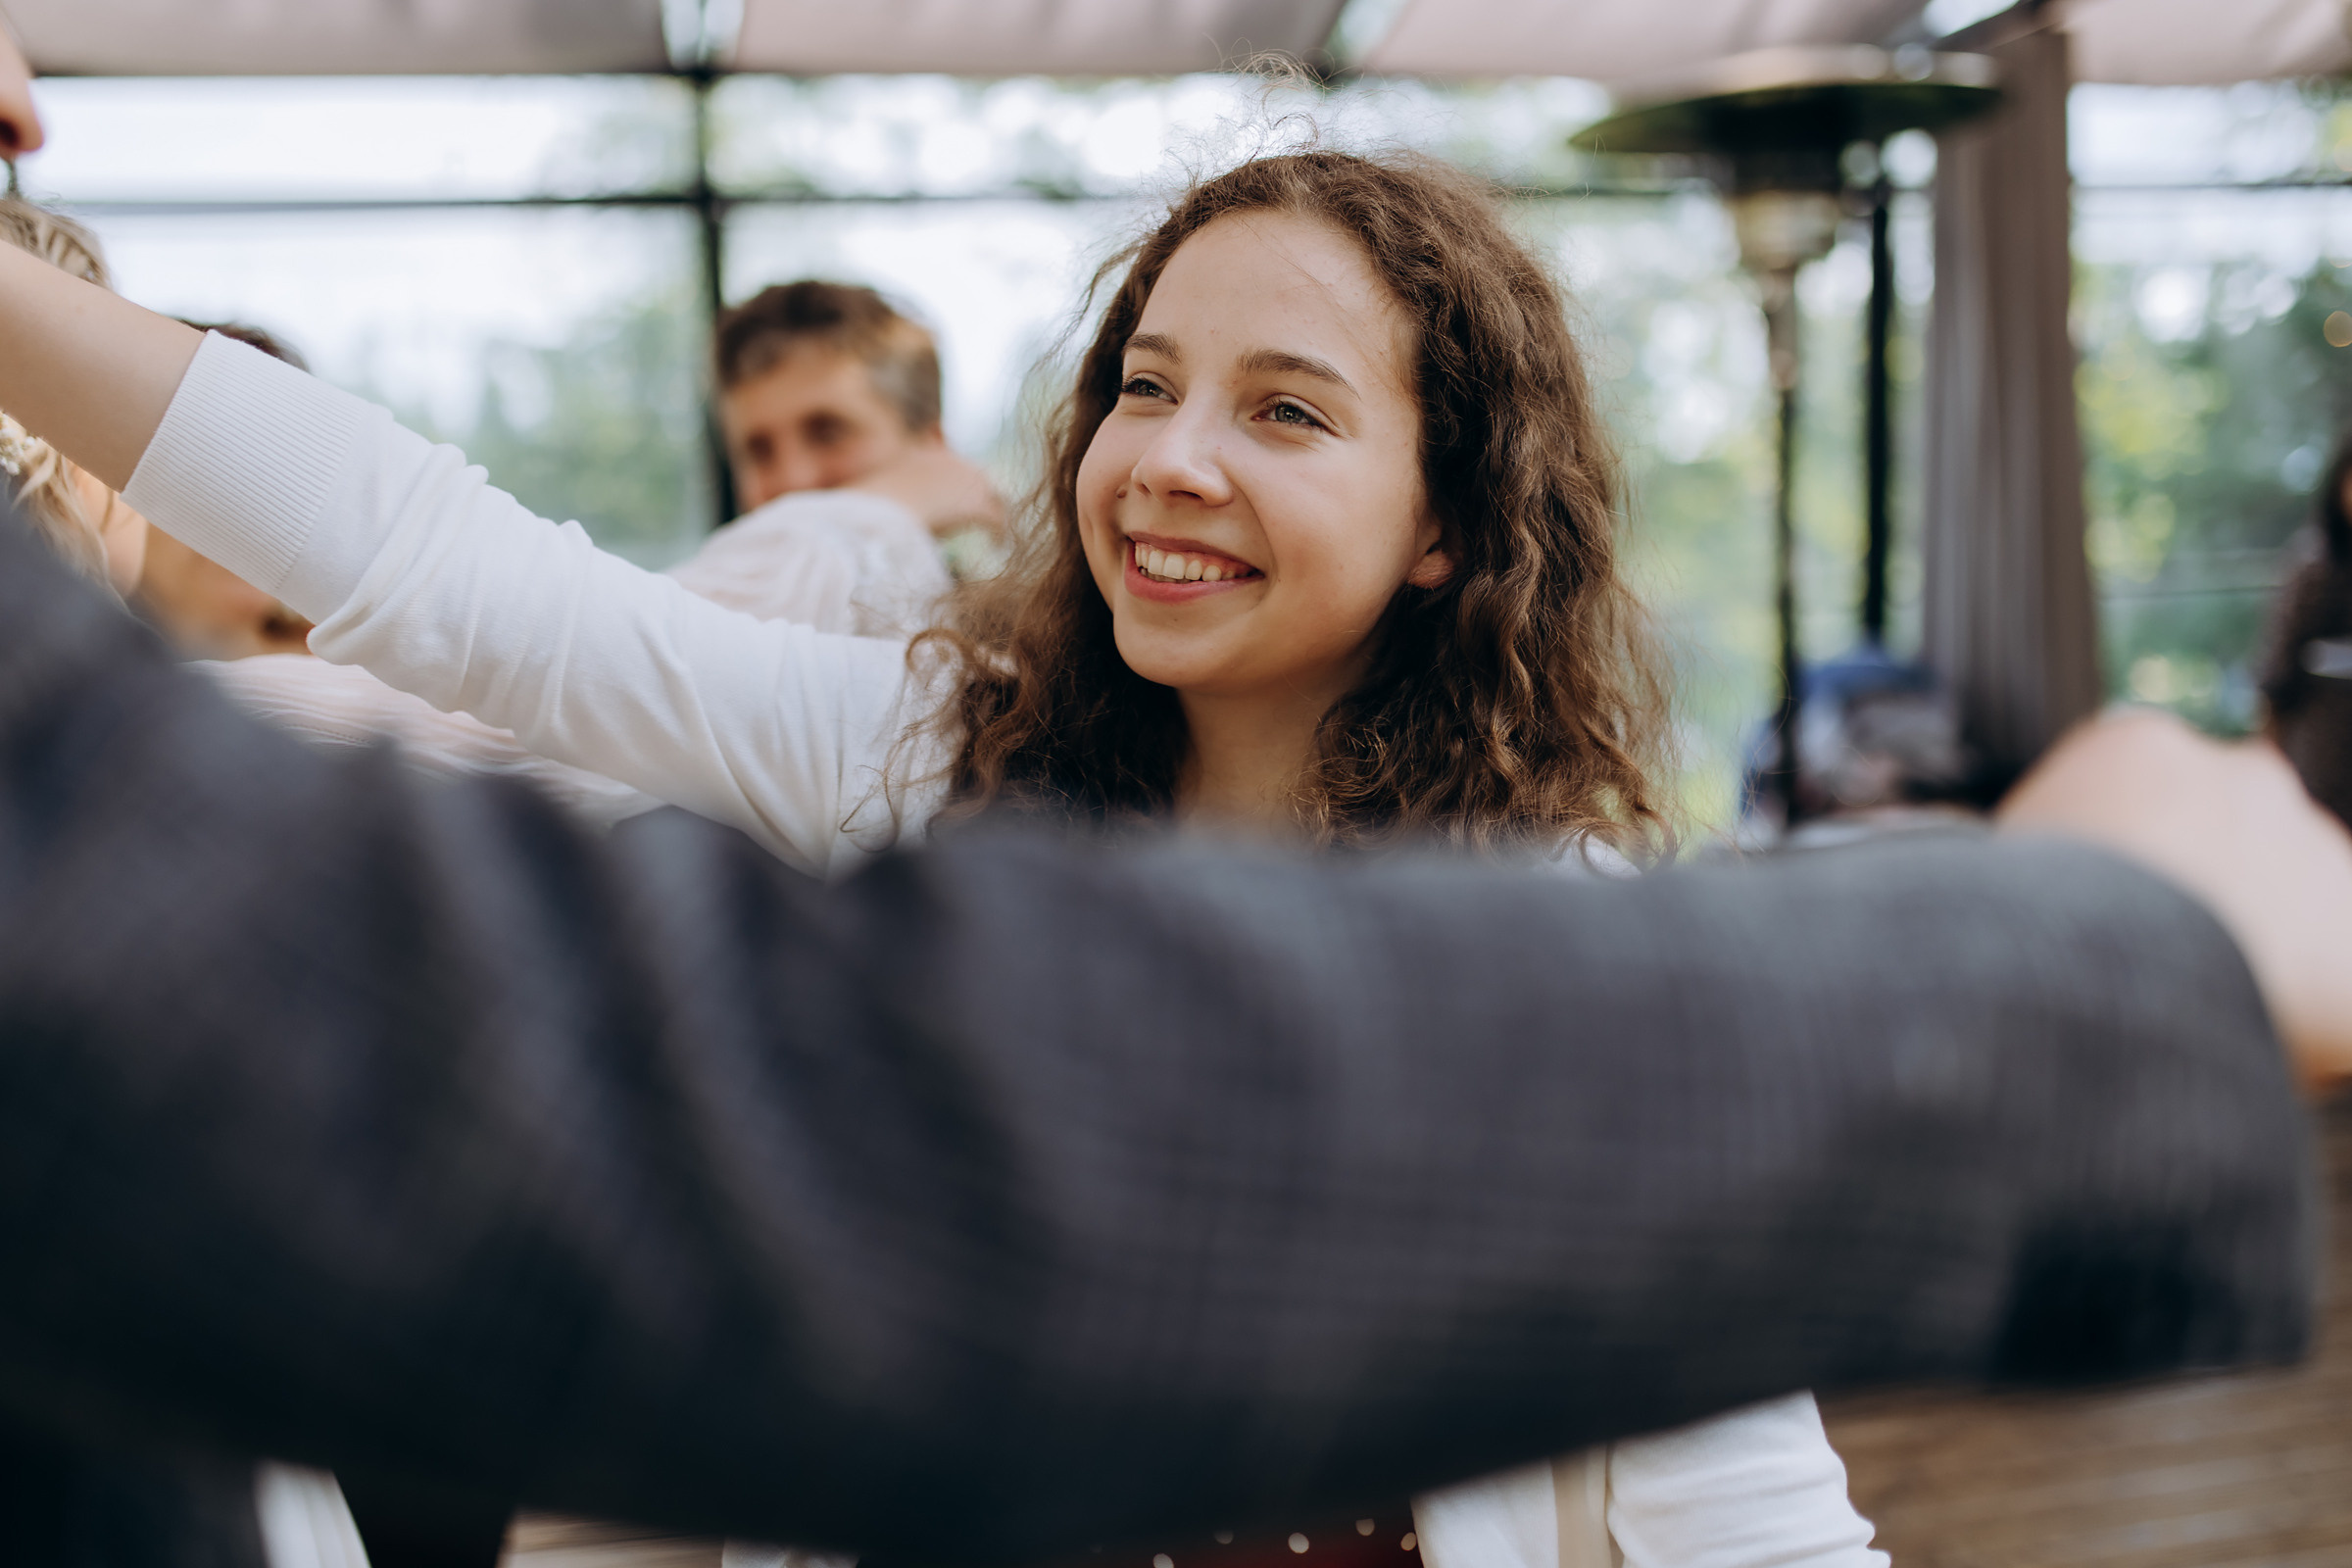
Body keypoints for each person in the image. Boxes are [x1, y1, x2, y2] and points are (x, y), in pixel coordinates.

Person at [0, 486, 2338, 1567]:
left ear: (1449, 520)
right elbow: (812, 1174)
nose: (20, 94)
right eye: (1142, 381)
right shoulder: (913, 772)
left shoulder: (1551, 903)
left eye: (1291, 405)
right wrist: (2107, 946)